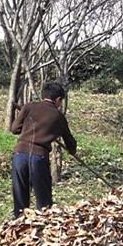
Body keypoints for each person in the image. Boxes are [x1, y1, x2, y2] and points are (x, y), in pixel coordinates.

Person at [10, 81, 77, 218]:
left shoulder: (29, 107)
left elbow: (14, 129)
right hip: (38, 157)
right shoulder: (58, 117)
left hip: (19, 154)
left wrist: (29, 126)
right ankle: (44, 227)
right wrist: (72, 150)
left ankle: (19, 225)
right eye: (60, 101)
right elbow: (70, 143)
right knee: (43, 200)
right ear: (58, 100)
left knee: (20, 197)